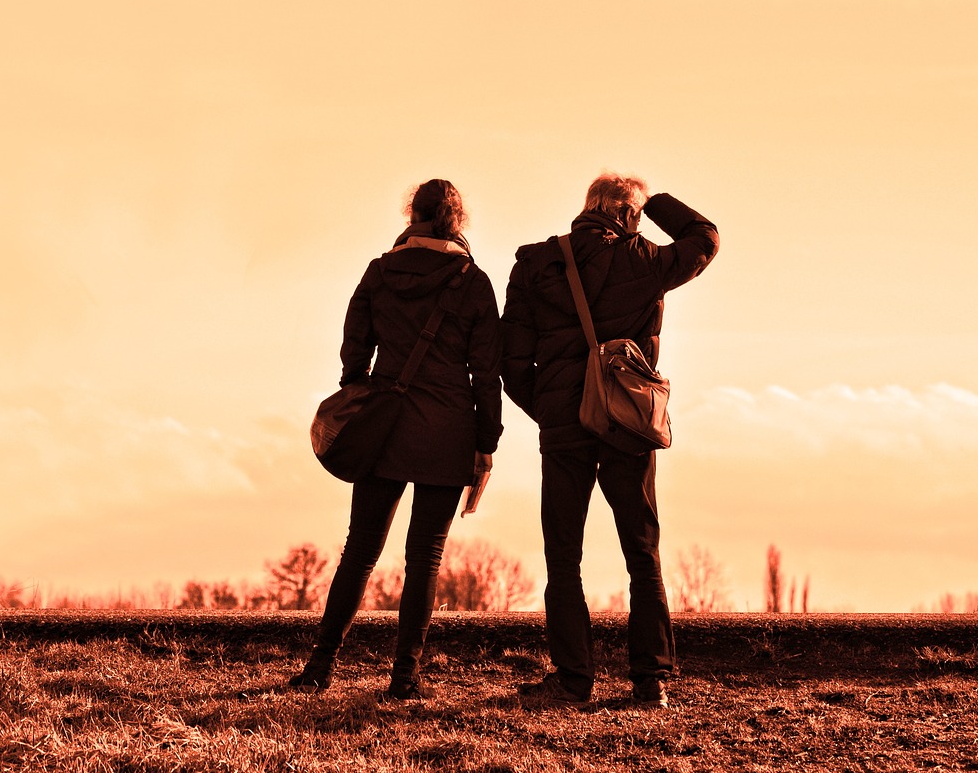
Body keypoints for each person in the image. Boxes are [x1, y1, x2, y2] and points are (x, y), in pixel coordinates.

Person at [500, 173, 719, 708]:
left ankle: (573, 679)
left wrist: (554, 411)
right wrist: (659, 198)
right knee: (642, 554)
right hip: (627, 423)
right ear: (630, 215)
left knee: (563, 556)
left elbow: (510, 364)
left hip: (564, 429)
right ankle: (651, 680)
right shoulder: (644, 261)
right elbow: (704, 238)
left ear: (588, 208)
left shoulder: (536, 265)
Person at [290, 178, 503, 700]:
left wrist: (358, 393)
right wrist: (486, 441)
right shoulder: (472, 281)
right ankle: (404, 677)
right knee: (424, 556)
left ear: (413, 215)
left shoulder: (380, 271)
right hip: (449, 428)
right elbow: (487, 373)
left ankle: (320, 667)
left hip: (384, 425)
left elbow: (353, 343)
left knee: (359, 550)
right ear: (458, 219)